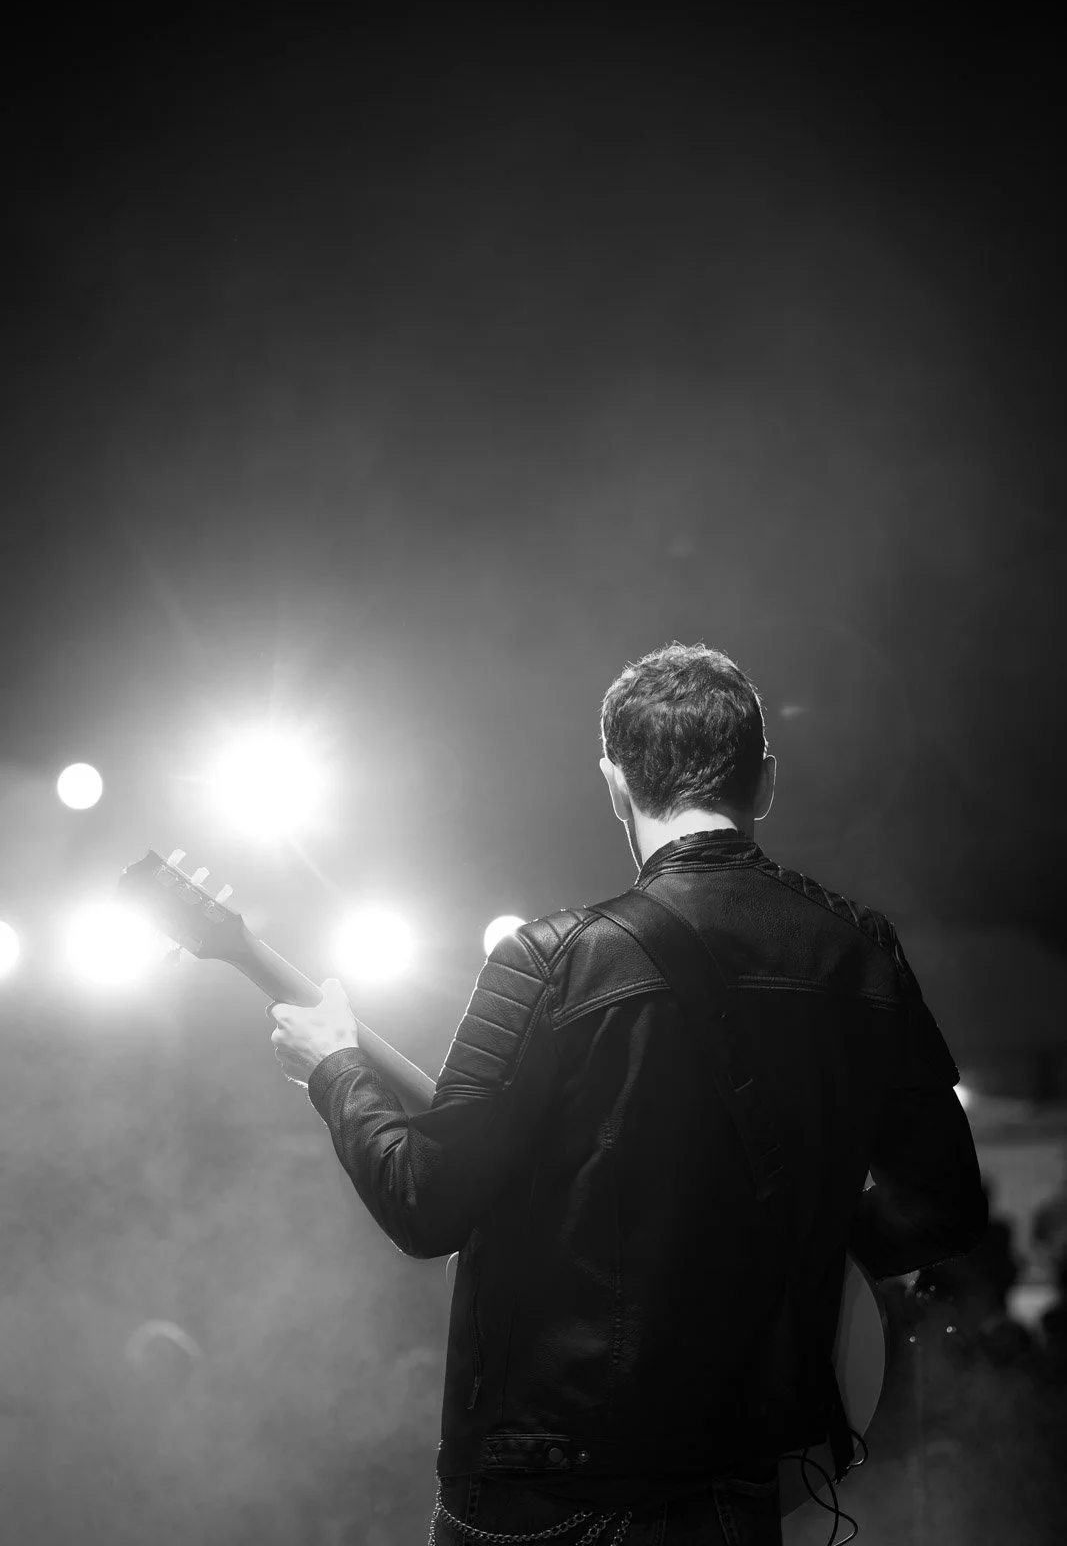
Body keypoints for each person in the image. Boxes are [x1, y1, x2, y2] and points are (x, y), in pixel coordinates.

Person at [267, 641, 987, 1545]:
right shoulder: (861, 952)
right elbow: (946, 1208)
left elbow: (426, 1205)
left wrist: (334, 1069)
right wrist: (789, 1257)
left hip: (543, 1487)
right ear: (763, 782)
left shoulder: (550, 960)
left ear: (614, 782)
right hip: (736, 1475)